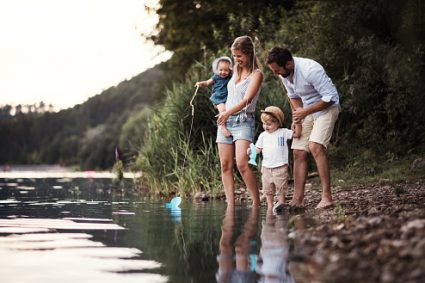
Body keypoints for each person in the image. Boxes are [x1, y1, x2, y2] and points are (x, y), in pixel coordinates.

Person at [266, 47, 340, 209]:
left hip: (327, 108)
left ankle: (327, 197)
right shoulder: (284, 74)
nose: (277, 74)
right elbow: (293, 97)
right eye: (274, 71)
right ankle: (297, 200)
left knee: (315, 146)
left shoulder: (310, 70)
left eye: (278, 70)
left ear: (289, 64)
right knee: (298, 151)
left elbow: (330, 98)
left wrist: (305, 111)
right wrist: (297, 119)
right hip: (306, 110)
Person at [216, 35, 263, 207]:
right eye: (234, 56)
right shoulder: (234, 69)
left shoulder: (257, 74)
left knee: (242, 164)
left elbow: (247, 100)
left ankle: (257, 203)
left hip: (243, 121)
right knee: (225, 165)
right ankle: (230, 205)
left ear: (249, 54)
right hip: (225, 121)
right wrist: (221, 109)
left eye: (239, 56)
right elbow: (219, 89)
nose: (236, 60)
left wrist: (227, 113)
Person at [249, 106, 299, 214]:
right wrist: (251, 151)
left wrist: (295, 124)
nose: (266, 126)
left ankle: (281, 202)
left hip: (280, 165)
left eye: (269, 124)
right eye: (264, 123)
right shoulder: (263, 136)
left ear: (278, 123)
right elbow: (258, 149)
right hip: (266, 166)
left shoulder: (283, 132)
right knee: (267, 188)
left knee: (281, 186)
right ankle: (270, 205)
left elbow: (296, 134)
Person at [195, 56, 233, 136]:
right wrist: (201, 83)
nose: (223, 72)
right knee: (223, 111)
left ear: (230, 70)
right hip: (218, 97)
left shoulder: (230, 78)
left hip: (226, 98)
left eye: (226, 70)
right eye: (221, 70)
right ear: (217, 70)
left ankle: (222, 119)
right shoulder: (216, 77)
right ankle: (222, 126)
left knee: (227, 110)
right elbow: (207, 83)